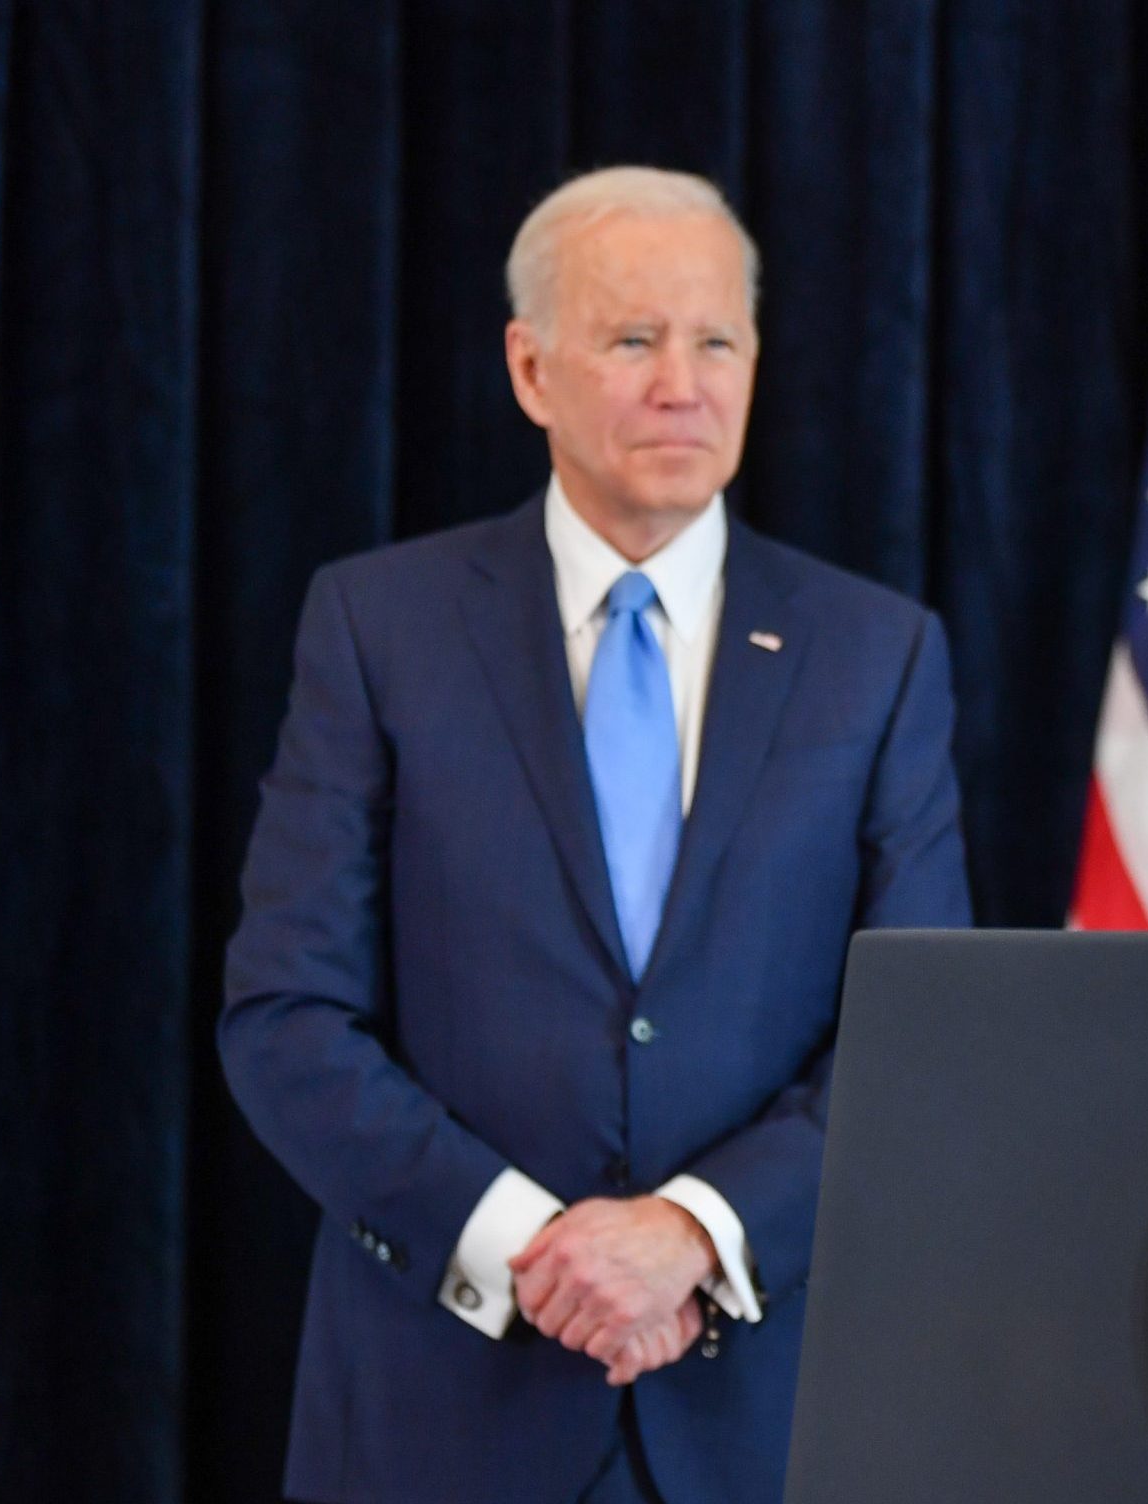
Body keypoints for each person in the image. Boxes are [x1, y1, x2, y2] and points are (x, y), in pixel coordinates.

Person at [218, 166, 972, 1503]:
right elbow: (286, 1017)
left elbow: (922, 1039)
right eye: (633, 339)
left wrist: (693, 1231)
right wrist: (534, 1247)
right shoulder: (378, 629)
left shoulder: (879, 655)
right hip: (439, 1417)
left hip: (767, 1423)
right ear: (531, 369)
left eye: (716, 341)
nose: (682, 384)